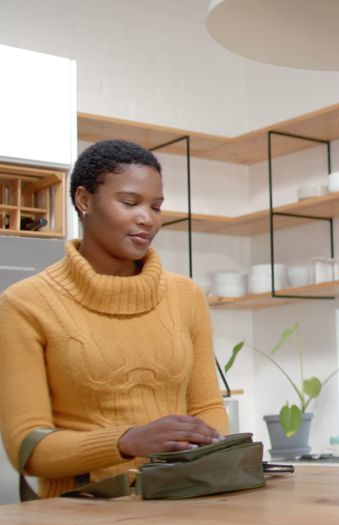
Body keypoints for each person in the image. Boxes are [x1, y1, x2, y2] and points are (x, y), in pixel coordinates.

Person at [0, 140, 227, 499]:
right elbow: (28, 447)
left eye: (156, 206)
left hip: (184, 500)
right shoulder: (25, 303)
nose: (147, 218)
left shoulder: (186, 296)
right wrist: (126, 441)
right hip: (82, 515)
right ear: (84, 201)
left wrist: (207, 456)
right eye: (129, 202)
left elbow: (206, 408)